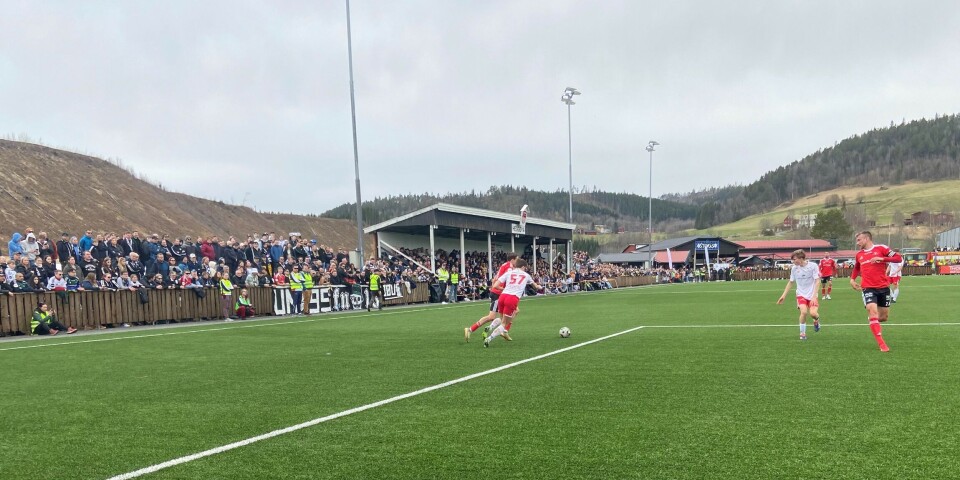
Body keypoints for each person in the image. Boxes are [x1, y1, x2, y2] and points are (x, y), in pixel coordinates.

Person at [850, 231, 902, 352]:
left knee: (883, 317)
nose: (857, 243)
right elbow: (857, 267)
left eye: (859, 240)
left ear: (867, 238)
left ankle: (873, 321)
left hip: (883, 287)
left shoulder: (881, 248)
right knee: (872, 311)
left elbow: (898, 258)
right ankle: (882, 344)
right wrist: (852, 280)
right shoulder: (859, 255)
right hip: (868, 287)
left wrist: (882, 259)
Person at [484, 258, 541, 348]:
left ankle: (491, 327)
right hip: (512, 299)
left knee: (501, 318)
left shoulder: (508, 273)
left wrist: (505, 289)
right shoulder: (526, 275)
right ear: (522, 267)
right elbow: (536, 287)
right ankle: (489, 338)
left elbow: (495, 285)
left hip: (502, 296)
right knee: (504, 323)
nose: (525, 269)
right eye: (525, 268)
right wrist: (539, 287)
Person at [464, 253, 517, 342]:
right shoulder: (508, 267)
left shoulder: (506, 266)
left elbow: (497, 279)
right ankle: (470, 329)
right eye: (517, 259)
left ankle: (504, 330)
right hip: (498, 293)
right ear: (512, 260)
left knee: (512, 312)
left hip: (499, 292)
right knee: (492, 316)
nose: (517, 261)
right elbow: (500, 280)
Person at [777, 250, 822, 340]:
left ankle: (816, 321)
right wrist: (783, 295)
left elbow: (817, 281)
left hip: (812, 294)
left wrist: (814, 296)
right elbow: (791, 282)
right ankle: (802, 333)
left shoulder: (813, 266)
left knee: (813, 314)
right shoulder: (794, 268)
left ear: (801, 258)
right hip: (801, 294)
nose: (793, 262)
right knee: (804, 312)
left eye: (794, 259)